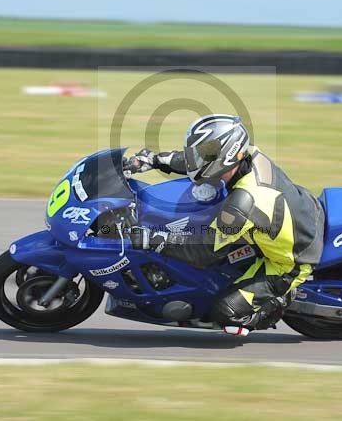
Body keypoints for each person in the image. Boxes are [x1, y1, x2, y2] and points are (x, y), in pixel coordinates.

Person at [126, 114, 325, 336]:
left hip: (291, 259)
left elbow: (204, 252)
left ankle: (285, 297)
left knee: (225, 314)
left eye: (205, 152)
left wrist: (154, 240)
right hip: (296, 213)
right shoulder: (248, 155)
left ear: (228, 154)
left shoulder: (242, 203)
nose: (198, 158)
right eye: (201, 152)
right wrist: (153, 160)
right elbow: (196, 164)